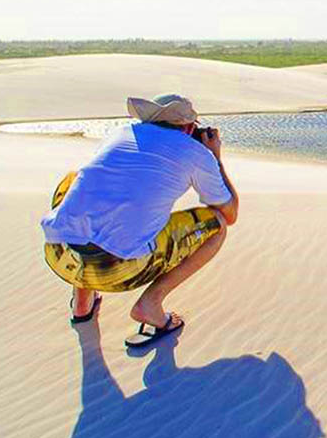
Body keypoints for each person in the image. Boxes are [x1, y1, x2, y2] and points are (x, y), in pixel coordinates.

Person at [41, 94, 239, 346]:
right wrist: (215, 157)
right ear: (189, 127)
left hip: (60, 255)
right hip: (118, 271)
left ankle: (82, 304)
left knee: (76, 184)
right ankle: (151, 304)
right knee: (217, 225)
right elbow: (230, 213)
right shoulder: (195, 153)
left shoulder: (120, 133)